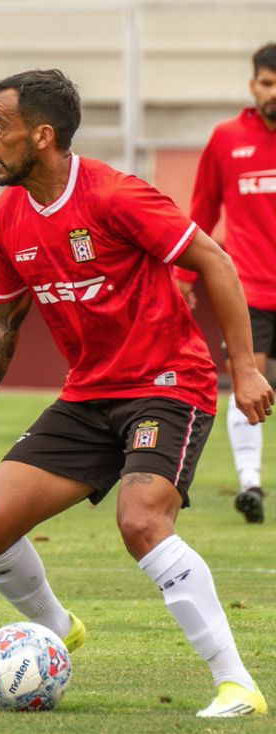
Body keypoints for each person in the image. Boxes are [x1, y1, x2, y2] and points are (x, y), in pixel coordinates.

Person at [0, 69, 273, 718]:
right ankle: (59, 627)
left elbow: (215, 263)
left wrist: (246, 368)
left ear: (43, 134)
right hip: (88, 396)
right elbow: (1, 321)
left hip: (167, 387)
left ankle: (237, 686)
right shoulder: (6, 216)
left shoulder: (116, 195)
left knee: (141, 521)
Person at [174, 43, 276, 524]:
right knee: (247, 380)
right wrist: (182, 274)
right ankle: (250, 484)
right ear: (253, 85)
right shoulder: (226, 138)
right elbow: (202, 210)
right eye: (268, 83)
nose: (274, 93)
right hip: (250, 289)